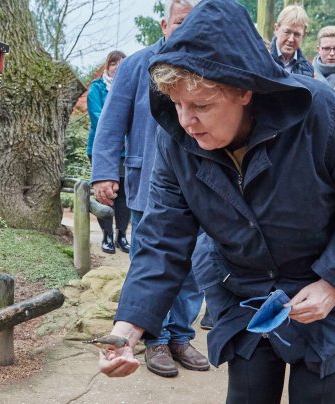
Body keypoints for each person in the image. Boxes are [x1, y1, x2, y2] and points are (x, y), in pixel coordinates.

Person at [97, 1, 335, 402]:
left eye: (201, 106)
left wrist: (333, 282)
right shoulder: (177, 140)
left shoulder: (320, 112)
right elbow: (162, 239)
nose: (186, 122)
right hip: (244, 286)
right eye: (177, 105)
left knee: (319, 394)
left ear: (244, 90)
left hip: (333, 281)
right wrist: (127, 328)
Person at [91, 0, 210, 377]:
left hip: (199, 184)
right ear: (164, 24)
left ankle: (180, 335)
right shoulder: (136, 65)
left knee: (193, 267)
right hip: (147, 182)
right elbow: (111, 122)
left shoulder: (208, 63)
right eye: (179, 22)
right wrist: (104, 173)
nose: (186, 30)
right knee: (154, 259)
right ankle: (154, 340)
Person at [86, 50, 130, 254]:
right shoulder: (97, 88)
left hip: (125, 150)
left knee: (123, 194)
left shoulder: (131, 88)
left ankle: (122, 234)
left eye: (122, 63)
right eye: (114, 63)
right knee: (106, 193)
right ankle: (107, 236)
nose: (117, 66)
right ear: (107, 66)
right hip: (102, 148)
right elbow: (99, 118)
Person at [269, 5, 314, 77]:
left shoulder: (307, 69)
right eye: (287, 32)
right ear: (276, 29)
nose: (291, 39)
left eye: (297, 34)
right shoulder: (262, 59)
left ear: (304, 35)